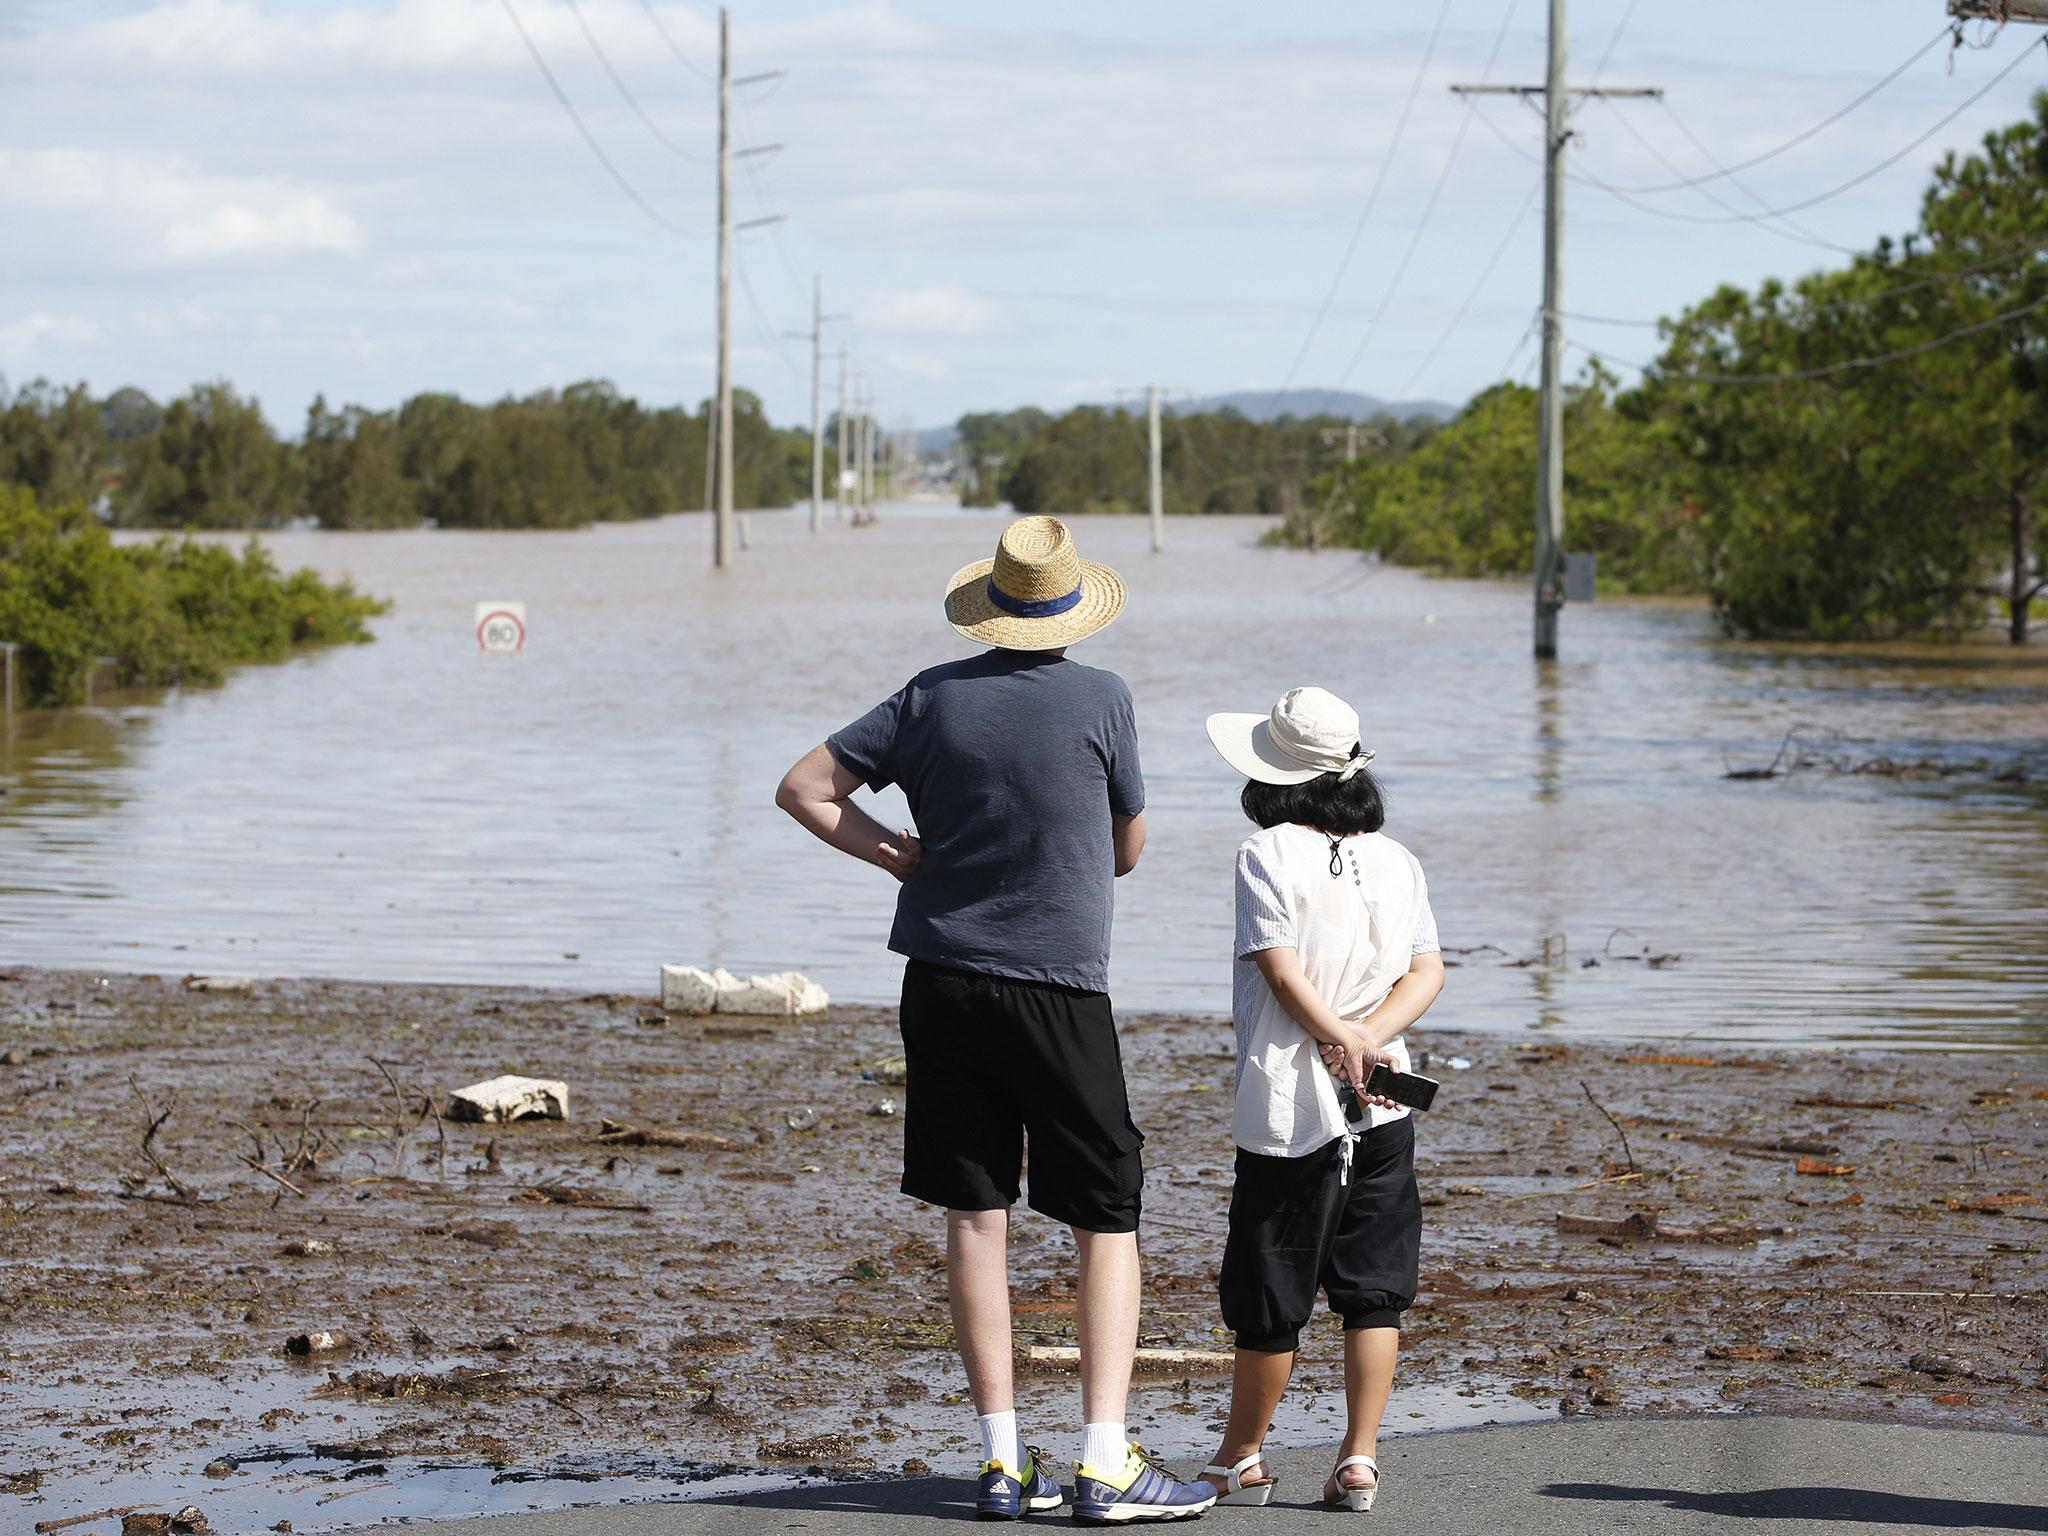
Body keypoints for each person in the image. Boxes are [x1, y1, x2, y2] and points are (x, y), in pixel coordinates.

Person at [775, 515, 1217, 1525]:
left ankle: (999, 1462)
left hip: (938, 979)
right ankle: (1103, 1460)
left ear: (989, 611)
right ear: (1071, 608)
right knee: (1105, 1216)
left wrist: (896, 852)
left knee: (975, 1218)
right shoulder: (1102, 696)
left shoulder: (929, 695)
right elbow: (1126, 851)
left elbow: (802, 788)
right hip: (1056, 987)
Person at [1194, 686, 1445, 1514]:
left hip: (1289, 1105)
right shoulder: (1398, 858)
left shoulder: (1264, 852)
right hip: (1384, 1103)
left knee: (1270, 1292)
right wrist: (1369, 1037)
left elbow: (1280, 966)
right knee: (1374, 1286)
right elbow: (1427, 972)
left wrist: (1338, 1039)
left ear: (1275, 776)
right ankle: (1359, 1459)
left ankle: (1241, 1457)